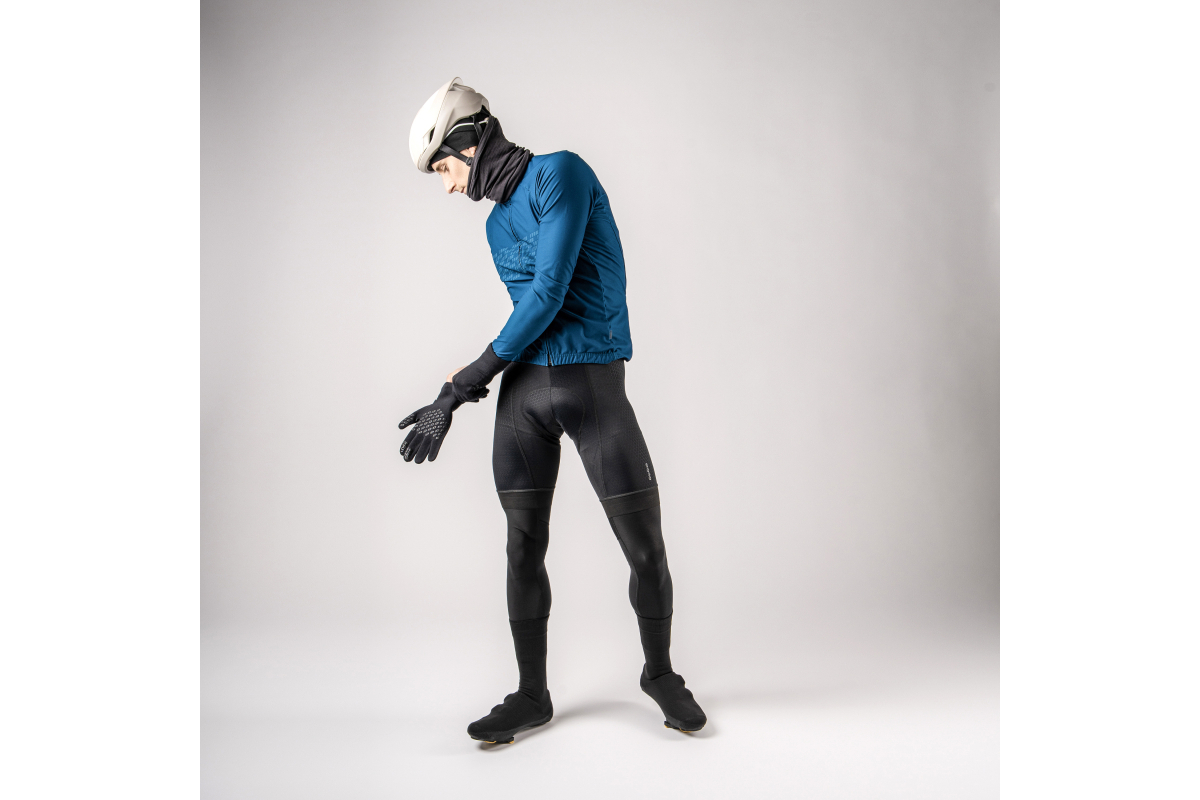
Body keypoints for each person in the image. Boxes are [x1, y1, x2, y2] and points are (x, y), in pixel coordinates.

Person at [400, 78, 706, 744]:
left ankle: (659, 673)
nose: (448, 188)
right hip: (524, 399)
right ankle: (531, 694)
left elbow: (549, 293)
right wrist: (465, 386)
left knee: (646, 549)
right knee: (521, 548)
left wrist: (461, 384)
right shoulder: (493, 226)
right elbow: (526, 319)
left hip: (592, 387)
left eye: (444, 169)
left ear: (469, 139)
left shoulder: (561, 174)